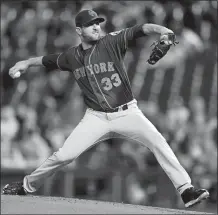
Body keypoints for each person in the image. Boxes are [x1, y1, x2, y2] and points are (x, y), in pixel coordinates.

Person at [3, 9, 209, 208]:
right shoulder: (71, 56)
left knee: (158, 142)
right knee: (63, 156)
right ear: (78, 30)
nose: (95, 27)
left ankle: (186, 189)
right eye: (89, 24)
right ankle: (25, 186)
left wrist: (164, 31)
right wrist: (26, 63)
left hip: (127, 112)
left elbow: (142, 28)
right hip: (96, 118)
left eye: (97, 23)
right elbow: (46, 60)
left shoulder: (111, 41)